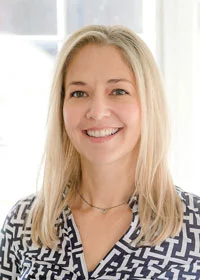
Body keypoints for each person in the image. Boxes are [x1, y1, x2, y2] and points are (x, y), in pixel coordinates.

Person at [0, 25, 200, 280]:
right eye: (79, 93)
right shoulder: (25, 222)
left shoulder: (194, 225)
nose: (96, 111)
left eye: (118, 91)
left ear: (148, 104)